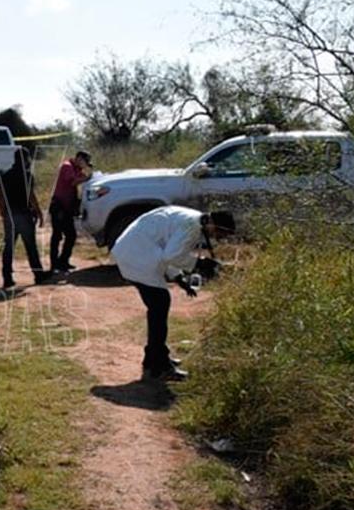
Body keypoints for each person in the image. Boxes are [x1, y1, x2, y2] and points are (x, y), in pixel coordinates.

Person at [110, 206, 234, 382]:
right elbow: (171, 255)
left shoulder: (191, 220)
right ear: (212, 223)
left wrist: (178, 278)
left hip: (134, 252)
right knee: (159, 307)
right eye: (220, 233)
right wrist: (200, 264)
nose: (219, 238)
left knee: (158, 308)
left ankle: (155, 359)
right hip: (137, 257)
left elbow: (167, 248)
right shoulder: (191, 226)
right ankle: (158, 367)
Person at [0, 149, 51, 289]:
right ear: (26, 159)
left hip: (10, 216)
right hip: (25, 215)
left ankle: (7, 278)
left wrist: (2, 212)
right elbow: (31, 196)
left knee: (9, 248)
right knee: (31, 247)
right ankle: (38, 275)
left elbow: (0, 195)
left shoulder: (5, 175)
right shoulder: (28, 176)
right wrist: (39, 213)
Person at [49, 150, 93, 272]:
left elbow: (80, 179)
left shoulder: (76, 169)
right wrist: (86, 178)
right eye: (85, 162)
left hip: (66, 207)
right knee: (57, 236)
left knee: (71, 235)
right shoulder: (67, 166)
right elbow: (73, 181)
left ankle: (63, 261)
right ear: (79, 158)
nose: (85, 165)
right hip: (59, 206)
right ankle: (54, 265)